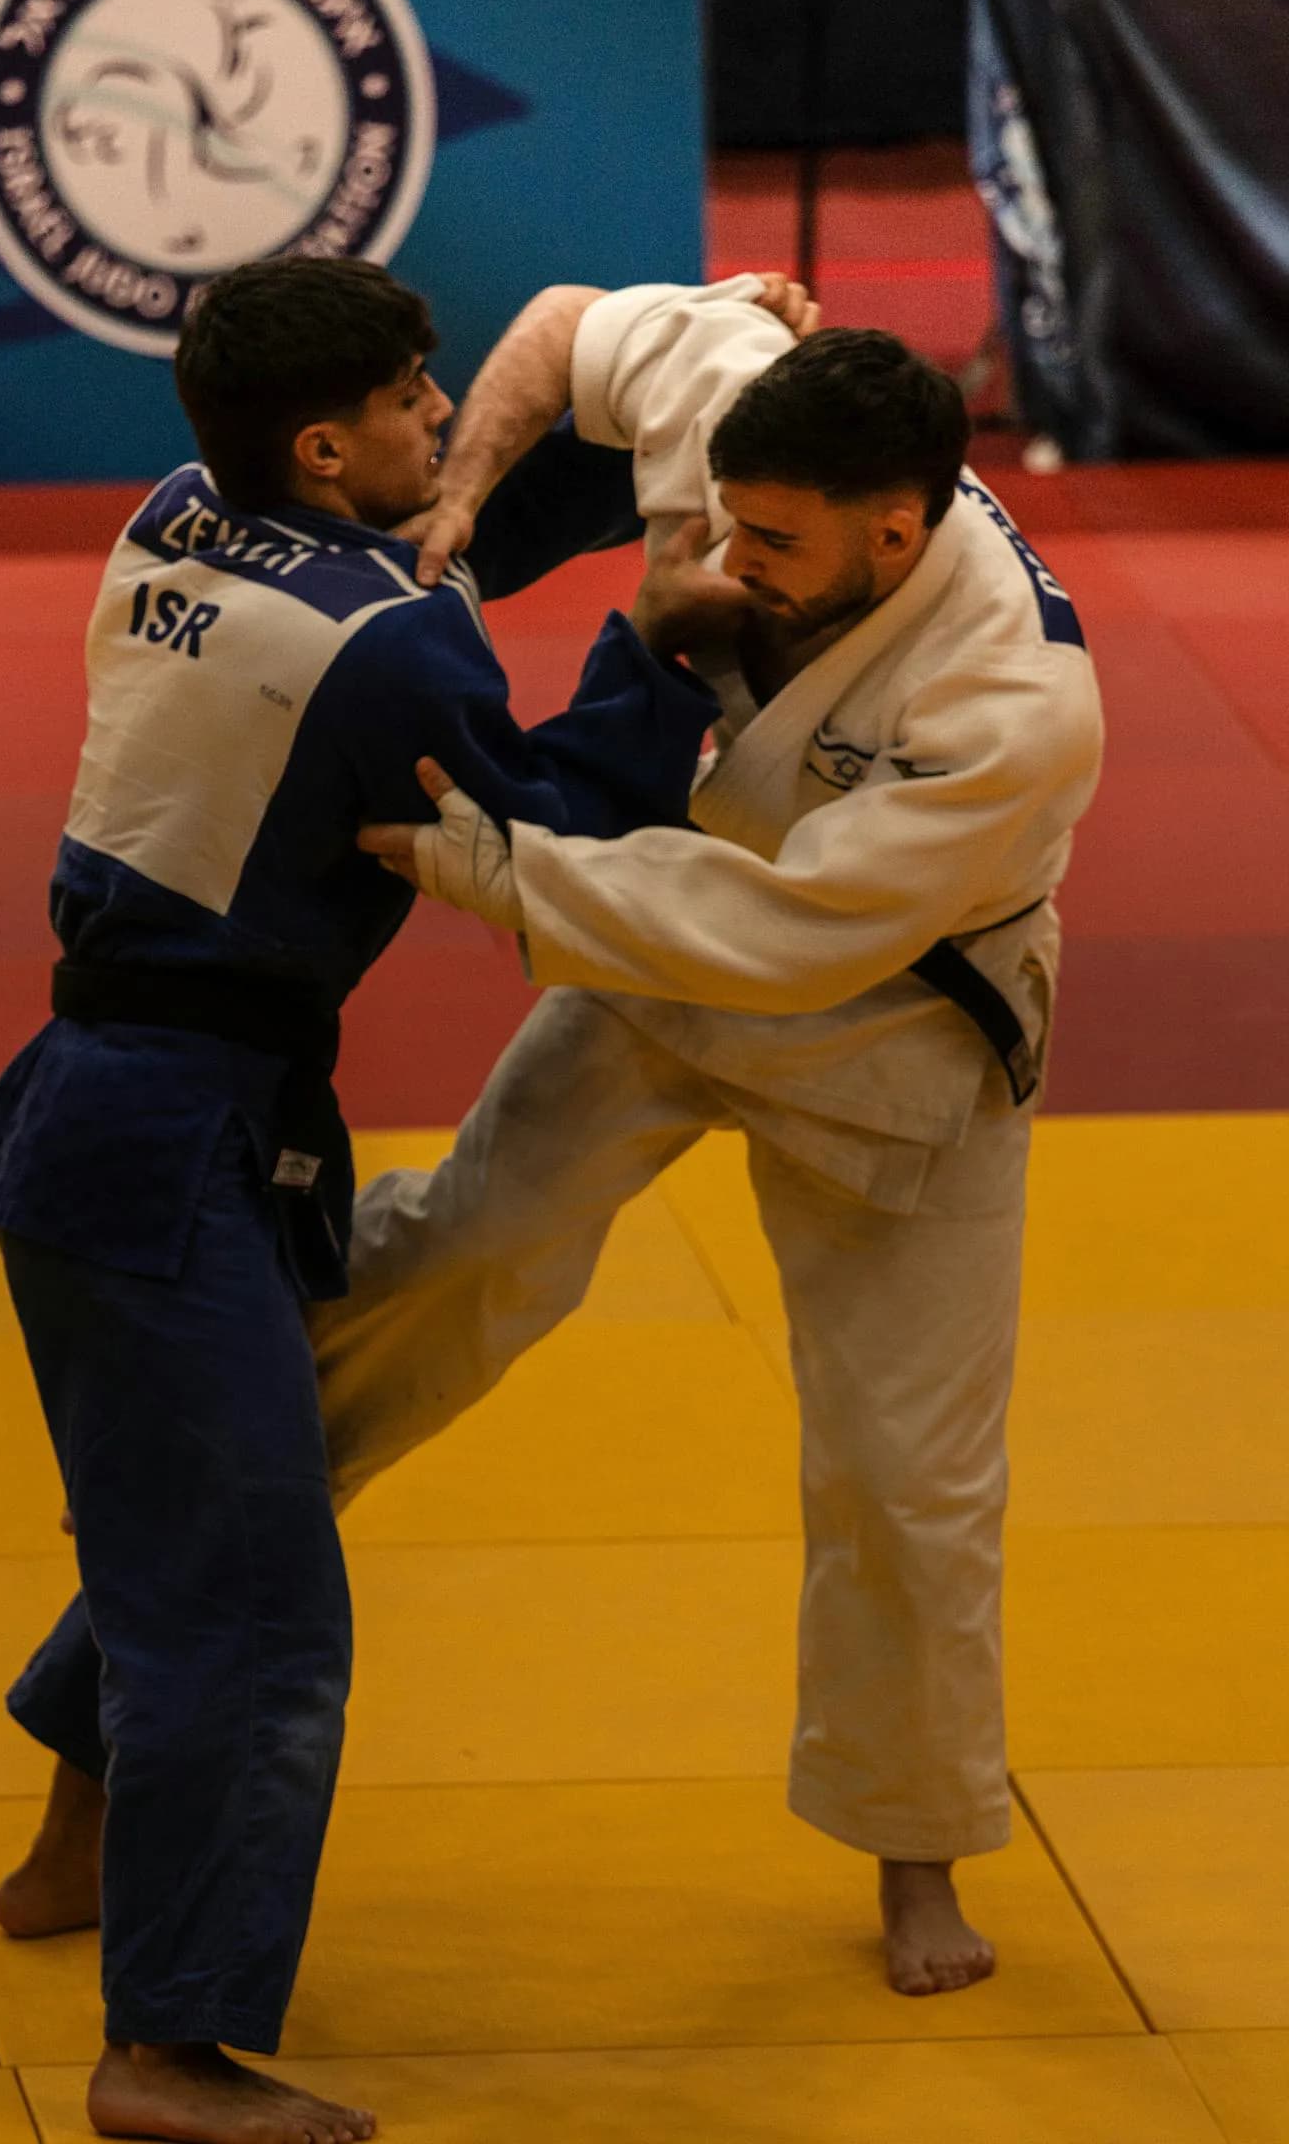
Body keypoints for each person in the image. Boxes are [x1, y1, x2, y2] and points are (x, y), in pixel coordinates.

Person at [0, 256, 772, 2144]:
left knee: (227, 1495)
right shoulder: (383, 649)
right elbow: (548, 834)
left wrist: (627, 449)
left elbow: (433, 559)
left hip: (129, 1113)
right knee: (253, 1604)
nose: (438, 410)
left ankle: (78, 1842)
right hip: (165, 1143)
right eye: (411, 396)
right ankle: (167, 2052)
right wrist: (661, 638)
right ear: (327, 444)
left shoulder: (185, 513)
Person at [325, 292, 1105, 1998]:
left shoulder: (1015, 705)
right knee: (465, 1247)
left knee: (909, 1472)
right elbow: (556, 334)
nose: (727, 561)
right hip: (660, 961)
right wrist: (461, 495)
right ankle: (229, 1475)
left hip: (898, 1027)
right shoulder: (752, 401)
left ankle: (917, 1853)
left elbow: (798, 928)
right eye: (726, 522)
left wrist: (503, 870)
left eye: (774, 545)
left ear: (899, 535)